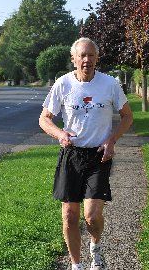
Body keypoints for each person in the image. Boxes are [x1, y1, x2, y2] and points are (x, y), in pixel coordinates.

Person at [39, 37, 133, 270]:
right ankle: (77, 265)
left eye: (91, 55)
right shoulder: (63, 84)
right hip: (71, 155)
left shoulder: (110, 84)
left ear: (97, 58)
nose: (87, 60)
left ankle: (96, 246)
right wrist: (60, 134)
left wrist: (112, 140)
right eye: (82, 55)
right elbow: (44, 119)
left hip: (98, 156)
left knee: (91, 217)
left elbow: (127, 116)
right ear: (74, 59)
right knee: (70, 216)